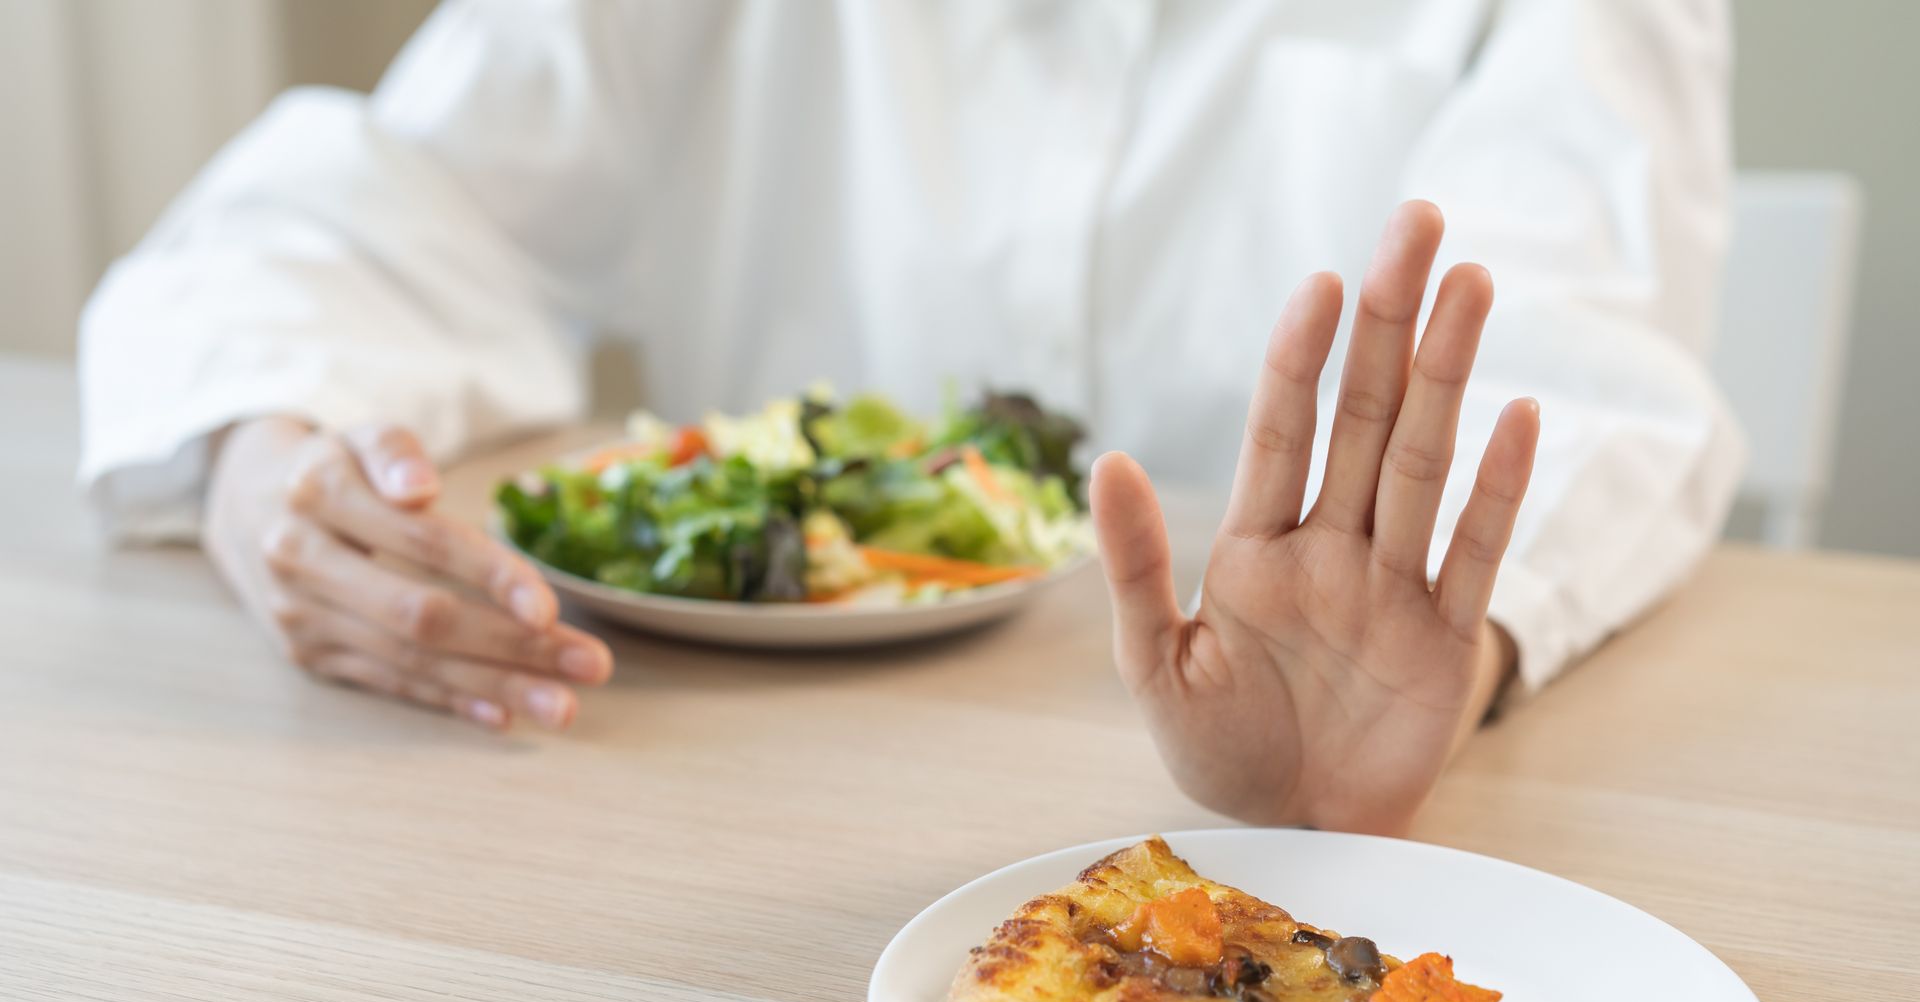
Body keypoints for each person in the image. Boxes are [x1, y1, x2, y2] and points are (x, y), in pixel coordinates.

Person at [77, 0, 1740, 835]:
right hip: (718, 802)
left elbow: (1582, 371)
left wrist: (1429, 663)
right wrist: (262, 462)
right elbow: (385, 201)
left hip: (1214, 818)